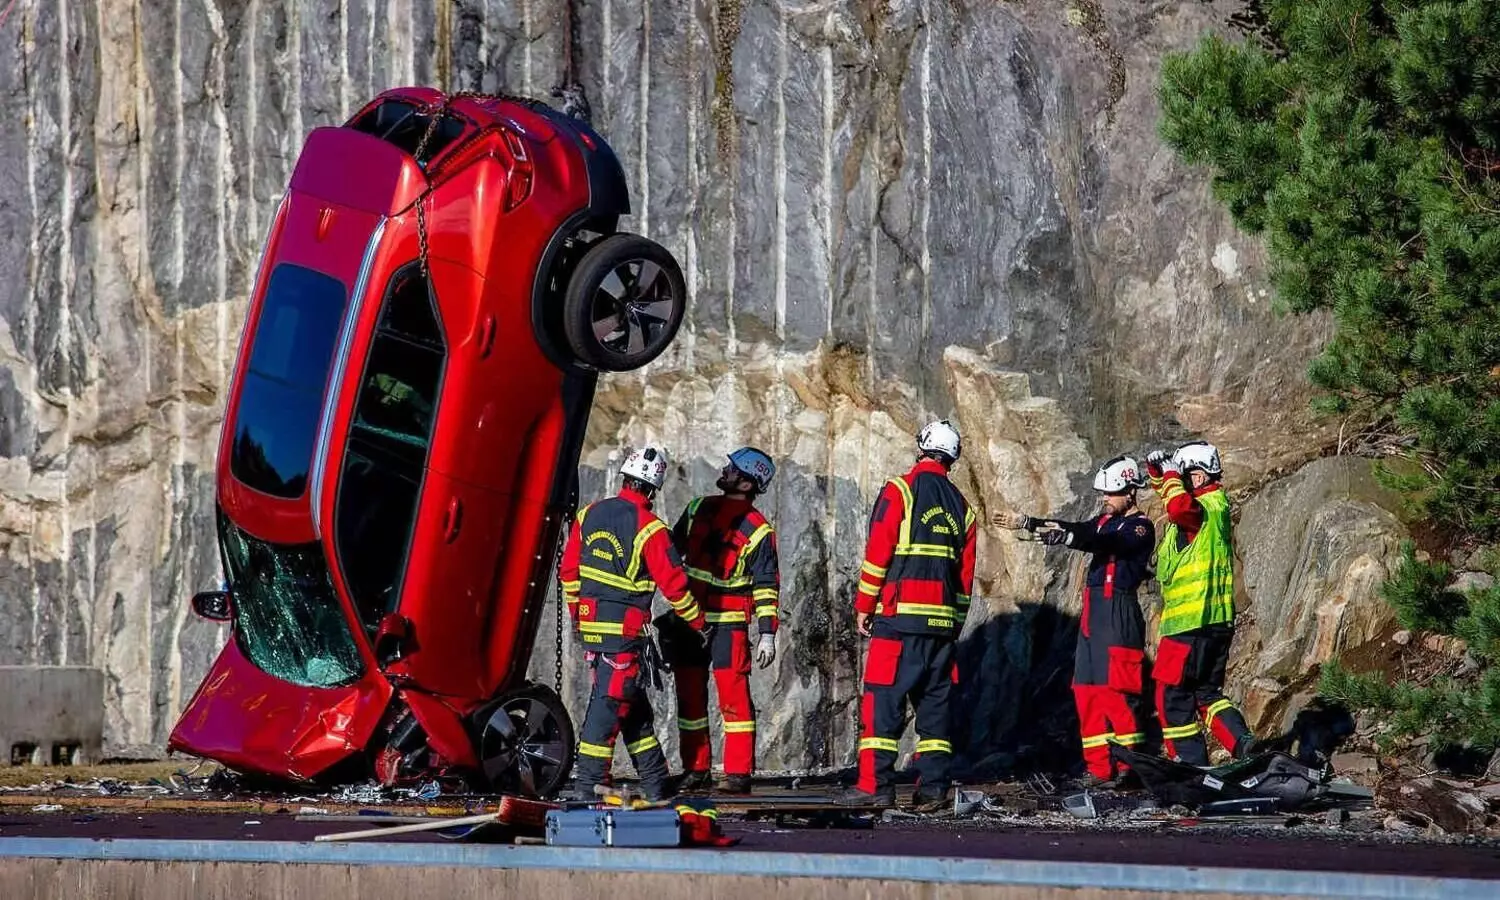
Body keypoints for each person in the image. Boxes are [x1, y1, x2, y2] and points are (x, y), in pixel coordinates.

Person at [836, 420, 977, 811]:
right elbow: (964, 580)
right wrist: (952, 625)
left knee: (882, 703)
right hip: (942, 628)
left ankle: (874, 786)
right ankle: (934, 788)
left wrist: (864, 607)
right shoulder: (963, 508)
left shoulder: (901, 490)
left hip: (899, 622)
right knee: (934, 712)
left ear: (922, 447)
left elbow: (879, 553)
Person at [995, 456, 1155, 787]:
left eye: (1111, 494)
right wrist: (1027, 522)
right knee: (1086, 692)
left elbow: (1107, 543)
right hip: (1093, 618)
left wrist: (1068, 539)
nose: (1105, 500)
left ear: (1130, 491)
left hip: (1118, 613)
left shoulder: (1140, 527)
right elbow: (1077, 530)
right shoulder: (1103, 522)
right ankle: (1099, 769)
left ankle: (1129, 768)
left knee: (1118, 694)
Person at [559, 444, 705, 801]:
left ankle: (656, 786)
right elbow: (675, 586)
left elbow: (569, 574)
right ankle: (585, 790)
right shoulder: (651, 529)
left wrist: (581, 617)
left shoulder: (588, 515)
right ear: (653, 489)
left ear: (624, 477)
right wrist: (699, 623)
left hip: (594, 635)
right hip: (624, 639)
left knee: (634, 712)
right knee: (605, 716)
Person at [668, 447, 782, 795]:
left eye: (732, 469)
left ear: (747, 483)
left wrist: (767, 634)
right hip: (689, 619)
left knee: (734, 701)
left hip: (729, 626)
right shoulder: (697, 507)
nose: (725, 469)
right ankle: (696, 769)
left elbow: (766, 586)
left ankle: (738, 774)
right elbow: (669, 554)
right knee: (690, 700)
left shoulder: (760, 530)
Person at [1144, 440, 1257, 765]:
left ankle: (1190, 767)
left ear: (1200, 475)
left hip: (1188, 626)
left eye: (1185, 474)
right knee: (1208, 696)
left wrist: (1167, 472)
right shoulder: (1213, 506)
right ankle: (1243, 745)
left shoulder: (1200, 509)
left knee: (1172, 698)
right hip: (1214, 625)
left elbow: (1178, 506)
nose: (1180, 481)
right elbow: (1173, 497)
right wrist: (1158, 472)